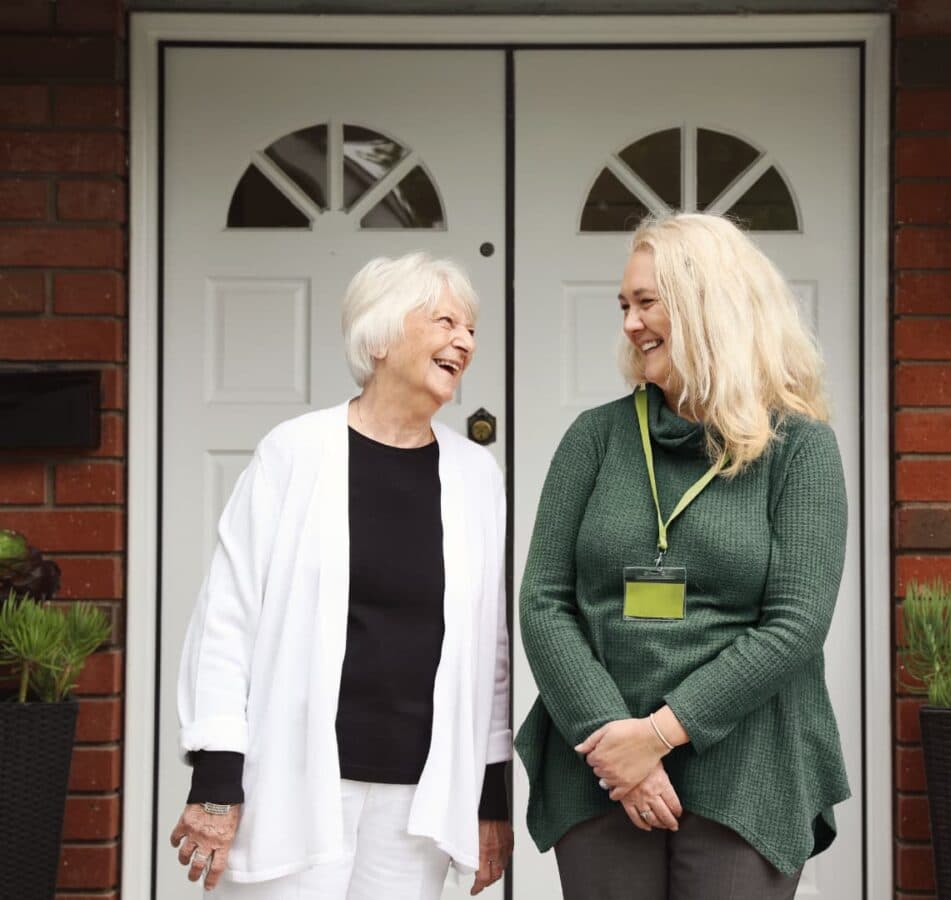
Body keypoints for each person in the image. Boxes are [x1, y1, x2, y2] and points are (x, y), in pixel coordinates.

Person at [516, 213, 850, 899]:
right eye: (625, 306)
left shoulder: (801, 448)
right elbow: (543, 600)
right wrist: (619, 743)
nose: (631, 324)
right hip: (599, 757)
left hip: (748, 762)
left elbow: (795, 624)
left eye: (646, 302)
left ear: (709, 306)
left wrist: (661, 735)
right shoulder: (596, 437)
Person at [171, 252, 513, 898]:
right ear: (380, 336)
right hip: (297, 784)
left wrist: (489, 796)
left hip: (422, 800)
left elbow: (489, 655)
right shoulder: (293, 453)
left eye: (470, 328)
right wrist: (217, 777)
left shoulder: (475, 476)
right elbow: (227, 618)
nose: (465, 341)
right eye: (445, 321)